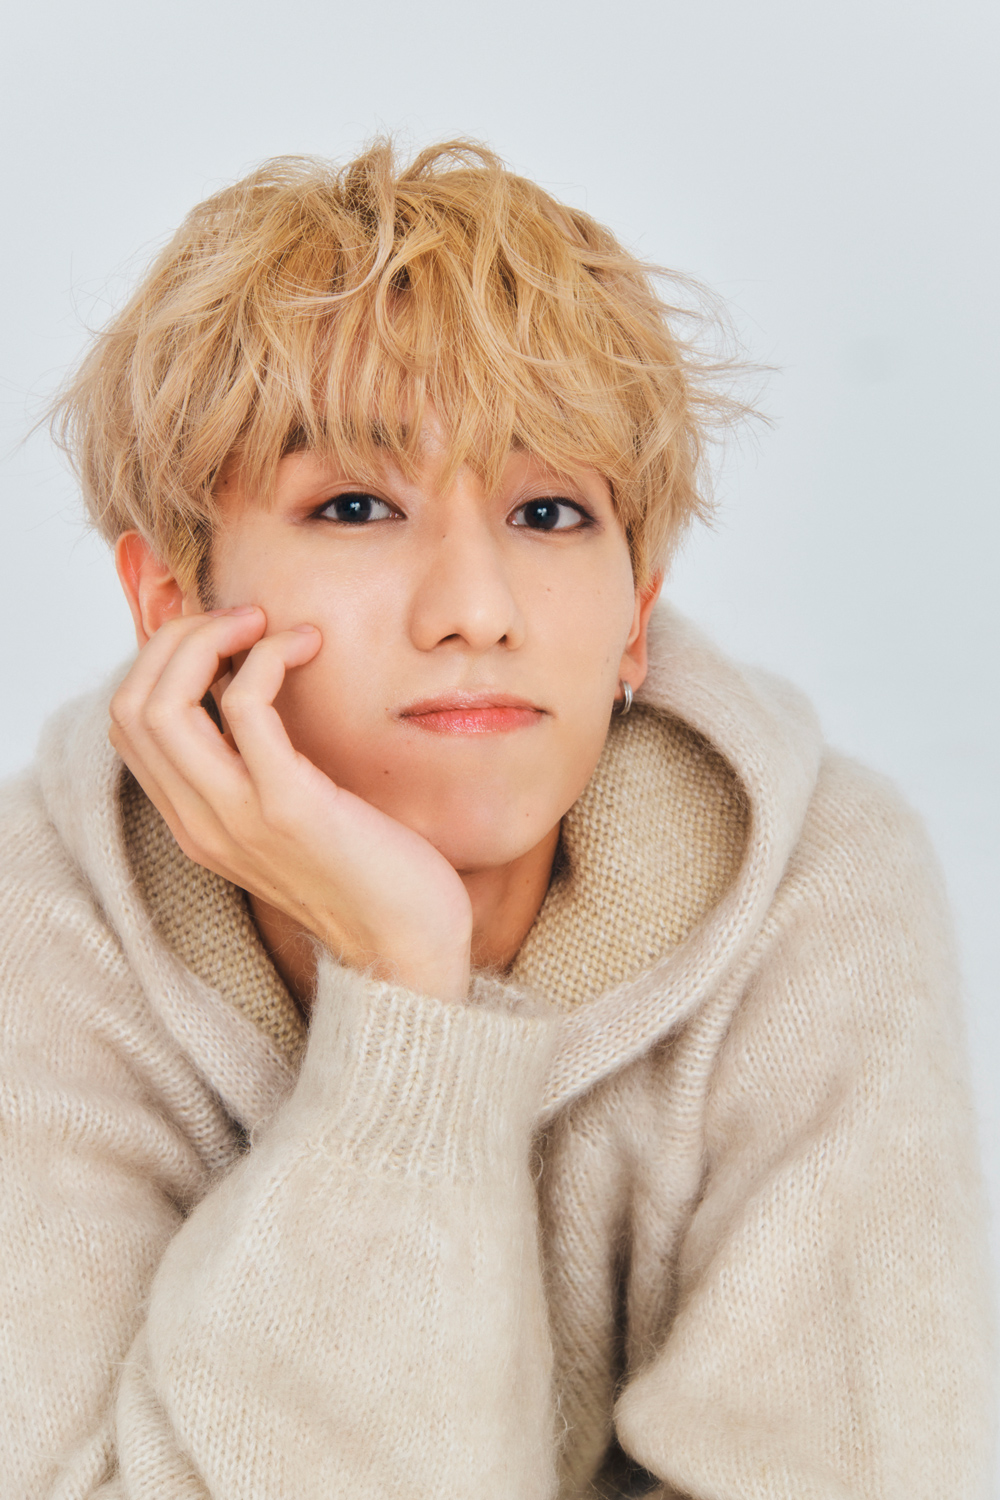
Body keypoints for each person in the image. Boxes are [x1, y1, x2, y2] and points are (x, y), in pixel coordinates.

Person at [0, 138, 993, 1499]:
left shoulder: (819, 882)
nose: (476, 608)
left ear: (637, 615)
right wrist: (406, 990)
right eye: (356, 505)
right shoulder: (44, 921)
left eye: (549, 510)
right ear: (172, 604)